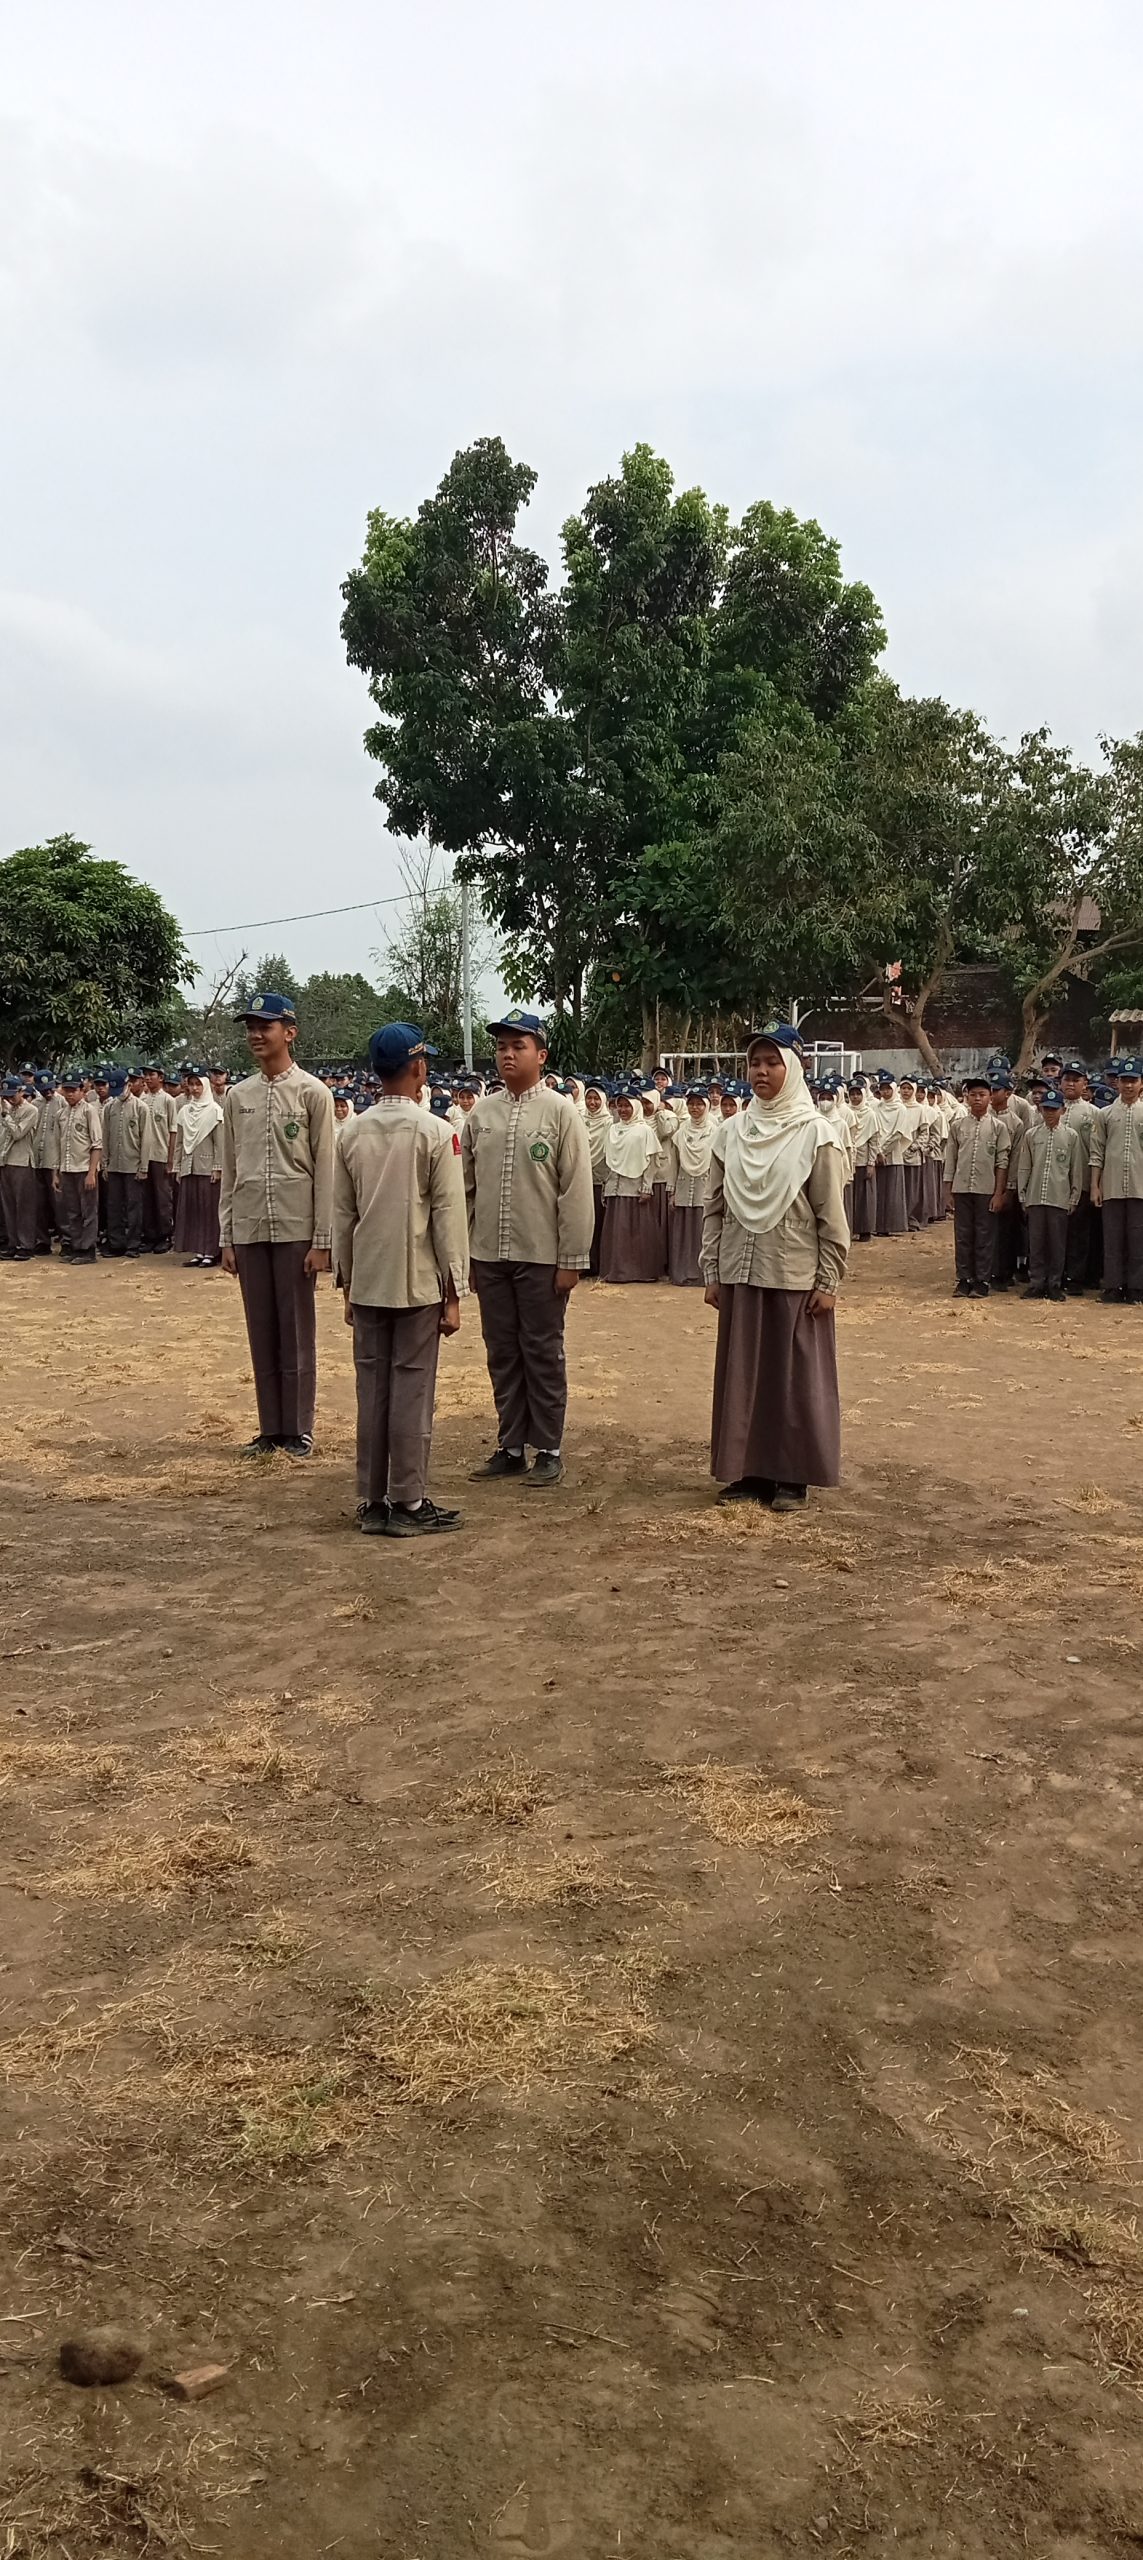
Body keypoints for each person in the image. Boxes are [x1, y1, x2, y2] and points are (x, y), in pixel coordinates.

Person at [701, 1025, 846, 1514]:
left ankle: (792, 1475)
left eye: (772, 1062)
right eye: (754, 1063)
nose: (761, 1072)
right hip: (741, 1270)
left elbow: (831, 1215)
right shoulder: (731, 1132)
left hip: (793, 1274)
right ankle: (750, 1470)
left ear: (794, 1068)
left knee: (792, 1376)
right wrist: (712, 1270)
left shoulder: (815, 1134)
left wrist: (828, 1280)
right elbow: (714, 1206)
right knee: (745, 1374)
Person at [334, 1021, 468, 1536]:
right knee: (412, 1388)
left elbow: (341, 1215)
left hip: (368, 1278)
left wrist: (346, 1284)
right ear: (418, 1069)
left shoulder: (352, 1132)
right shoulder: (437, 1133)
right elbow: (448, 1220)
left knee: (373, 1389)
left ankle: (371, 1499)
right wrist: (454, 1293)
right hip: (416, 1282)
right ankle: (408, 1501)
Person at [460, 1009, 595, 1487]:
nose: (508, 1054)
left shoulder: (560, 1112)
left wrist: (571, 1260)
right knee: (501, 1349)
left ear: (541, 1054)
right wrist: (469, 1255)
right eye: (501, 1047)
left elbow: (575, 1190)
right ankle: (511, 1445)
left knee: (541, 1349)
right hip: (491, 1256)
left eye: (518, 1046)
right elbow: (466, 1189)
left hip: (542, 1258)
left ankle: (550, 1447)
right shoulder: (482, 1113)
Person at [219, 990, 336, 1455]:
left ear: (289, 1033)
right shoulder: (238, 1096)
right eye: (250, 1026)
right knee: (261, 1329)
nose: (255, 1035)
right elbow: (230, 1168)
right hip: (250, 1226)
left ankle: (298, 1427)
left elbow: (325, 1170)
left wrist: (322, 1240)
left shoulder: (312, 1093)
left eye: (264, 1026)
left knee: (295, 1330)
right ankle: (270, 1428)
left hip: (295, 1228)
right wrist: (227, 1235)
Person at [944, 1074, 1009, 1297]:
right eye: (973, 1095)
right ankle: (964, 1279)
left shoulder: (998, 1128)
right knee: (963, 1236)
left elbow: (1002, 1162)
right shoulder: (958, 1126)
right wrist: (948, 1190)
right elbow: (950, 1159)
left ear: (990, 1097)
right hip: (962, 1188)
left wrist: (999, 1192)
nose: (977, 1099)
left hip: (985, 1189)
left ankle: (982, 1280)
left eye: (982, 1095)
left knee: (984, 1235)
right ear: (966, 1098)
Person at [1014, 1090, 1083, 1299]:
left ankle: (1054, 1283)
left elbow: (1075, 1169)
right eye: (1046, 1109)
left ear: (1062, 1110)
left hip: (1058, 1198)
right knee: (1036, 1243)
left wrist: (1074, 1197)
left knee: (1057, 1243)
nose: (1050, 1113)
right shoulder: (1032, 1135)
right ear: (1040, 1109)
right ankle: (1036, 1282)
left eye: (1054, 1109)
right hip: (1035, 1197)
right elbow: (1025, 1167)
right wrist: (1022, 1194)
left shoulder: (1071, 1136)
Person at [1090, 1059, 1143, 1304]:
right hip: (1111, 1187)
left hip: (1139, 1187)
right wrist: (1095, 1186)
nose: (1129, 1086)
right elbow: (1097, 1152)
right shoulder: (1105, 1114)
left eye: (1133, 1081)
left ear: (1141, 1083)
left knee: (1137, 1239)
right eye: (1125, 1081)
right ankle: (1113, 1286)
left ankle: (1135, 1288)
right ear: (1117, 1082)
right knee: (1112, 1239)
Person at [600, 1093, 661, 1282]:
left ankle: (639, 1272)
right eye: (620, 1106)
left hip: (635, 1188)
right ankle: (616, 1271)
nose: (623, 1110)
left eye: (627, 1106)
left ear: (635, 1107)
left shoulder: (644, 1131)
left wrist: (646, 1187)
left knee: (636, 1231)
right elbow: (607, 1160)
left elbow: (651, 1161)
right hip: (615, 1187)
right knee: (616, 1231)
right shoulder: (612, 1129)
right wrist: (605, 1186)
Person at [171, 1069, 224, 1264]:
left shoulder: (215, 1111)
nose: (194, 1089)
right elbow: (179, 1142)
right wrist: (177, 1167)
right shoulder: (184, 1111)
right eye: (191, 1084)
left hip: (207, 1167)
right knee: (192, 1209)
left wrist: (217, 1167)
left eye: (198, 1084)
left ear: (206, 1085)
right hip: (189, 1167)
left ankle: (211, 1251)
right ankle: (198, 1251)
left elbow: (220, 1143)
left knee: (209, 1210)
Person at [54, 1070, 103, 1262]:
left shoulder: (89, 1111)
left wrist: (92, 1172)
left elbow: (96, 1144)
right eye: (66, 1090)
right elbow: (59, 1144)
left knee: (88, 1211)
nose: (69, 1094)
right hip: (67, 1168)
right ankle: (76, 1246)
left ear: (82, 1090)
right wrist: (56, 1173)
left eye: (73, 1090)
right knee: (72, 1211)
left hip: (84, 1168)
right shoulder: (61, 1113)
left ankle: (88, 1249)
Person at [668, 1086, 715, 1284]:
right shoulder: (681, 1132)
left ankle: (702, 1274)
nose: (695, 1108)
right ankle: (682, 1273)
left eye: (699, 1104)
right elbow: (674, 1163)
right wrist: (671, 1191)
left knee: (702, 1231)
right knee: (683, 1231)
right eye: (691, 1104)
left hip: (706, 1187)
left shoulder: (716, 1131)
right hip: (683, 1186)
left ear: (707, 1106)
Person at [102, 1070, 147, 1257]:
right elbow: (105, 1137)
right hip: (114, 1165)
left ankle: (133, 1244)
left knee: (133, 1206)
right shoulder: (109, 1108)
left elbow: (146, 1139)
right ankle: (116, 1244)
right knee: (113, 1205)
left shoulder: (141, 1107)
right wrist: (105, 1163)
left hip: (133, 1164)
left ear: (129, 1084)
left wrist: (143, 1167)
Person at [138, 1063, 178, 1252]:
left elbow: (173, 1131)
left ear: (161, 1077)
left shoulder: (169, 1101)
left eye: (151, 1074)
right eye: (145, 1074)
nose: (147, 1078)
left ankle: (165, 1235)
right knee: (146, 1197)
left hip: (161, 1154)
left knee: (162, 1197)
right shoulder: (142, 1100)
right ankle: (149, 1235)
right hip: (144, 1156)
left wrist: (171, 1160)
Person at [0, 1077, 39, 1258]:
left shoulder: (30, 1110)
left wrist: (6, 1116)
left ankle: (26, 1244)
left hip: (22, 1161)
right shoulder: (5, 1109)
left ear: (21, 1092)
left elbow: (17, 1133)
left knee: (23, 1206)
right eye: (6, 1096)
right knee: (8, 1206)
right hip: (5, 1161)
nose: (9, 1099)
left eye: (12, 1095)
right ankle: (12, 1242)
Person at [582, 1080, 611, 1274]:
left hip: (601, 1179)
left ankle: (599, 1265)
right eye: (589, 1098)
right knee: (583, 1223)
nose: (592, 1103)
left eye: (596, 1099)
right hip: (582, 1179)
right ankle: (584, 1264)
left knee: (600, 1223)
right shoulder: (578, 1120)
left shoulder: (609, 1123)